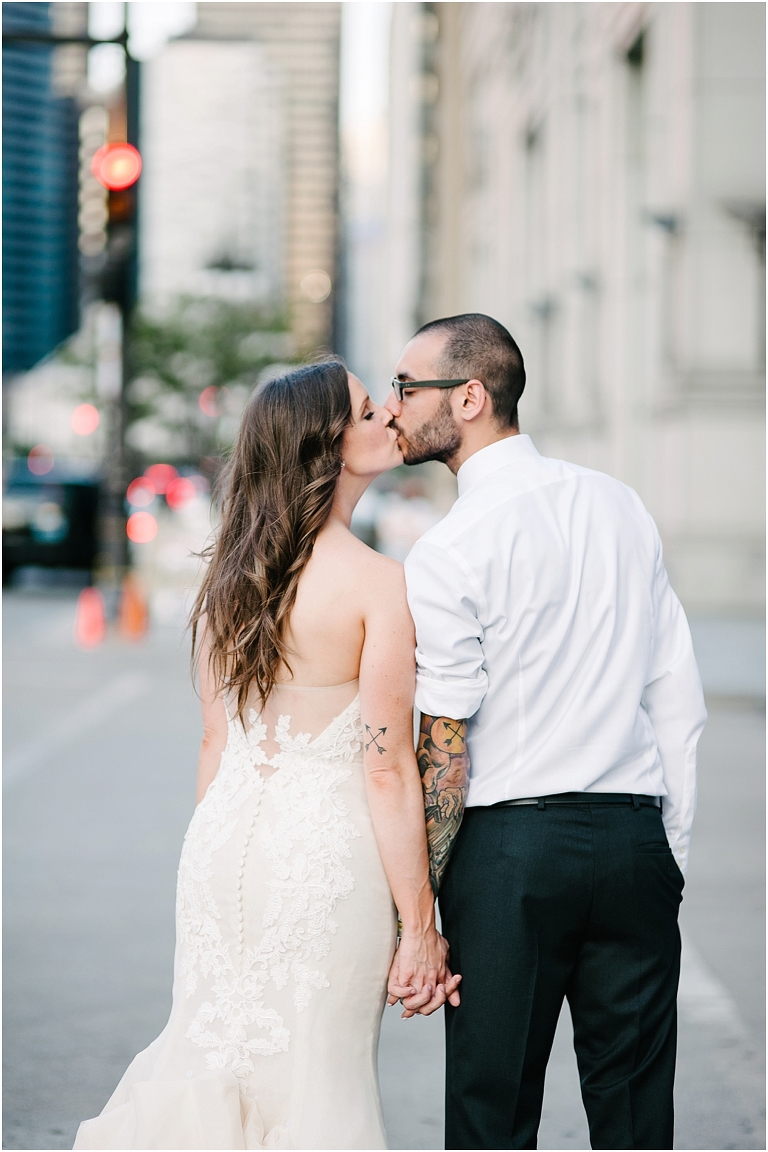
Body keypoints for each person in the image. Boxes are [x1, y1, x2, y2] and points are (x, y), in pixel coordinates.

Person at [74, 359, 460, 1151]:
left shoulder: (229, 575)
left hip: (222, 852)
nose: (389, 416)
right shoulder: (381, 585)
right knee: (319, 1077)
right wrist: (421, 926)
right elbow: (386, 768)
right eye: (365, 412)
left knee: (210, 1055)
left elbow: (217, 740)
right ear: (326, 445)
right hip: (322, 865)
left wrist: (211, 864)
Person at [385, 314, 708, 1150]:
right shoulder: (618, 504)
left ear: (469, 397)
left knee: (492, 1114)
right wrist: (668, 845)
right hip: (634, 840)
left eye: (406, 387)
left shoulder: (450, 549)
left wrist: (421, 908)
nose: (393, 407)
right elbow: (675, 691)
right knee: (637, 1114)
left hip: (510, 856)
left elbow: (443, 744)